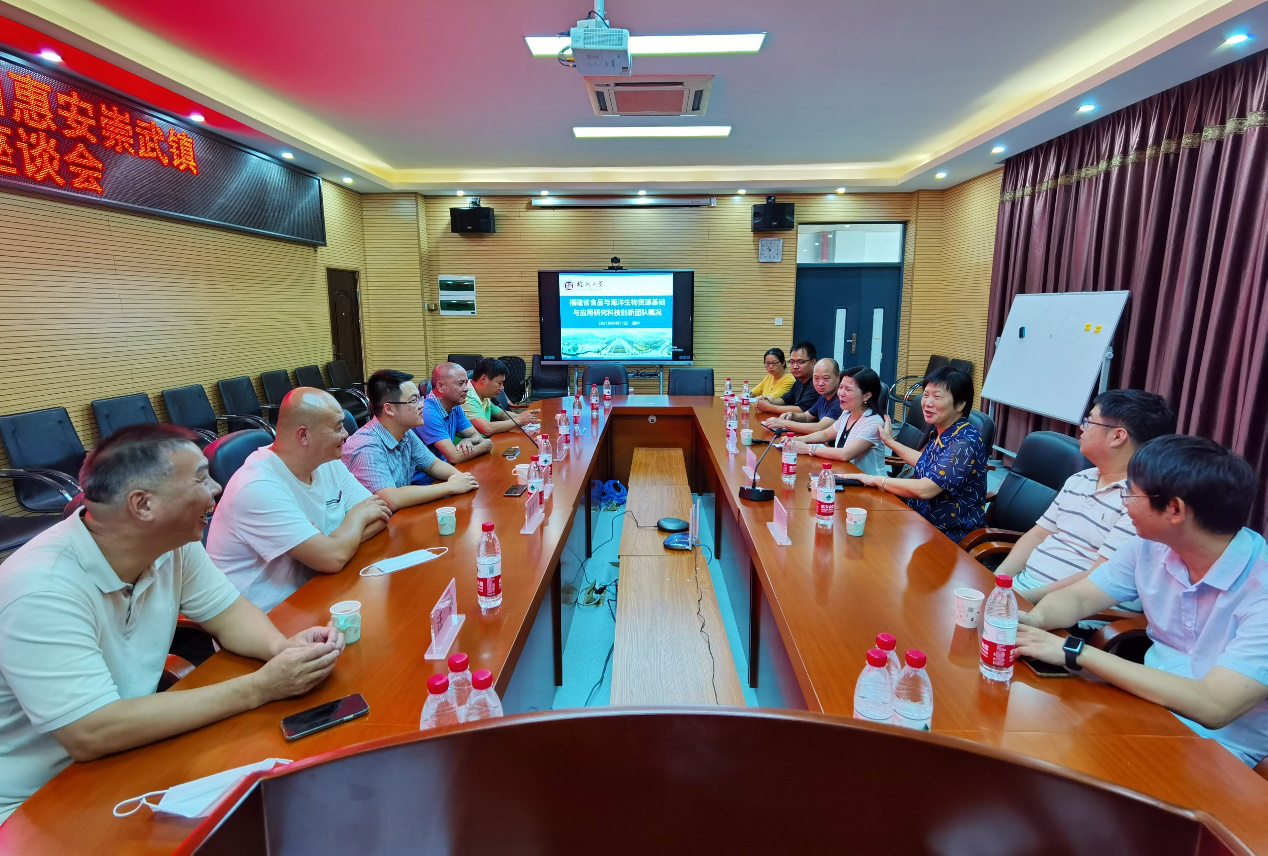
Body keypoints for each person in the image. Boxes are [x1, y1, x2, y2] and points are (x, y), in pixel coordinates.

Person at [0, 425, 346, 823]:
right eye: (200, 479)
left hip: (132, 752)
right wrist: (261, 687)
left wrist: (280, 648)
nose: (216, 488)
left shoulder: (172, 544)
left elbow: (230, 613)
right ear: (143, 504)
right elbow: (90, 731)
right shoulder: (40, 588)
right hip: (36, 801)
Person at [1016, 435, 1268, 769]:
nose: (1124, 503)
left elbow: (1215, 705)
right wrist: (1034, 620)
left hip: (1218, 752)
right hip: (1143, 708)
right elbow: (1080, 596)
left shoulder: (1261, 588)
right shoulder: (1150, 546)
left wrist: (1076, 652)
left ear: (1175, 509)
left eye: (1131, 493)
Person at [207, 388, 391, 612]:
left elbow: (380, 514)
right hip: (270, 615)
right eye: (337, 427)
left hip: (320, 589)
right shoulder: (257, 486)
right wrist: (355, 518)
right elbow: (333, 558)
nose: (346, 435)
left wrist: (331, 542)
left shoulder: (327, 461)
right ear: (304, 435)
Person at [998, 389, 1177, 605]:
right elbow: (1038, 535)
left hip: (1073, 608)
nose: (1082, 428)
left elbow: (1102, 576)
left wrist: (1023, 599)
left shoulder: (1139, 502)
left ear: (1117, 436)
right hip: (1024, 588)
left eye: (1090, 422)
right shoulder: (1080, 478)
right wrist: (998, 581)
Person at [852, 366, 987, 542]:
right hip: (918, 519)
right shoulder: (945, 430)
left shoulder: (963, 442)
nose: (927, 403)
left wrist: (877, 480)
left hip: (947, 534)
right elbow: (926, 461)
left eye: (937, 397)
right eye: (926, 395)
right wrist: (890, 442)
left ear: (961, 404)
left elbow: (925, 489)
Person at [342, 369, 479, 511]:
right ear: (389, 409)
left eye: (420, 398)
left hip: (399, 515)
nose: (422, 405)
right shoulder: (366, 446)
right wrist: (451, 486)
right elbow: (390, 499)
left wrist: (461, 478)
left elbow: (432, 465)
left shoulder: (405, 433)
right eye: (414, 400)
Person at [784, 365, 886, 475]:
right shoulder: (847, 413)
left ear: (866, 396)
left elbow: (845, 454)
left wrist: (808, 449)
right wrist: (799, 440)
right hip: (844, 473)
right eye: (841, 387)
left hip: (868, 482)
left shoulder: (873, 422)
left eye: (848, 389)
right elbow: (825, 434)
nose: (841, 393)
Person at [416, 362, 494, 463]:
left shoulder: (455, 406)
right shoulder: (427, 412)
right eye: (460, 384)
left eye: (466, 383)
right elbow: (454, 457)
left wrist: (468, 440)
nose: (466, 388)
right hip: (430, 473)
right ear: (440, 386)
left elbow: (476, 435)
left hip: (447, 468)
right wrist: (484, 446)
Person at [762, 358, 842, 436]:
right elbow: (807, 416)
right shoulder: (823, 397)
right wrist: (792, 415)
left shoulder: (840, 400)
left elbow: (819, 427)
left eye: (826, 378)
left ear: (838, 377)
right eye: (816, 378)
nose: (820, 383)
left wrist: (784, 423)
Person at [463, 357, 539, 437]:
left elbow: (502, 414)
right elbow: (487, 429)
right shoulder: (466, 397)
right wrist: (519, 420)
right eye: (499, 383)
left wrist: (527, 417)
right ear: (483, 379)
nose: (502, 388)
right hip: (470, 443)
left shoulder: (483, 394)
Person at [753, 341, 820, 415]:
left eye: (800, 362)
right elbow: (785, 400)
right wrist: (768, 400)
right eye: (792, 362)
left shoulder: (817, 383)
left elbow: (802, 410)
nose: (795, 366)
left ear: (813, 362)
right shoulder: (798, 382)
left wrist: (769, 407)